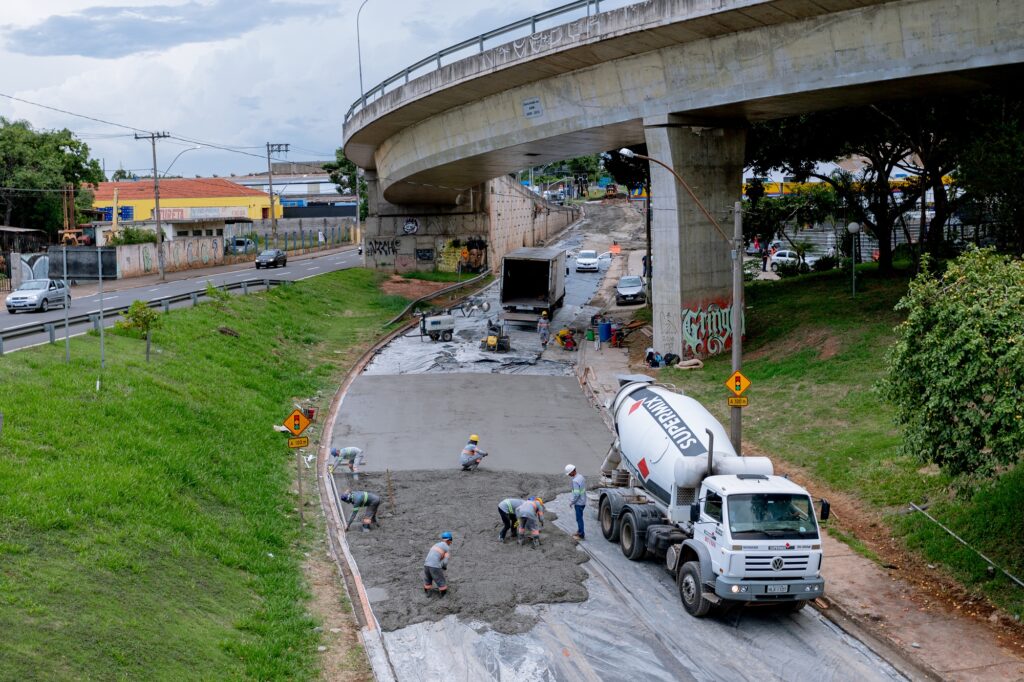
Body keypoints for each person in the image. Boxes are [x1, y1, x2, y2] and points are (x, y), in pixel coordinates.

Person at [423, 532, 453, 597]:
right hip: (434, 566)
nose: (451, 543)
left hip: (426, 564)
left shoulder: (436, 544)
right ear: (448, 540)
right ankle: (443, 593)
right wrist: (444, 567)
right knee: (440, 579)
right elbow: (445, 562)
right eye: (450, 541)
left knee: (428, 578)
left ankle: (427, 590)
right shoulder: (447, 548)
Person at [566, 465, 587, 540]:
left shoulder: (575, 481)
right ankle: (579, 531)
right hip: (583, 500)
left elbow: (576, 494)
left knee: (579, 518)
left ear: (572, 471)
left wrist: (572, 502)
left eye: (569, 473)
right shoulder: (580, 477)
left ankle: (581, 534)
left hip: (579, 503)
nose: (568, 475)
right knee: (579, 517)